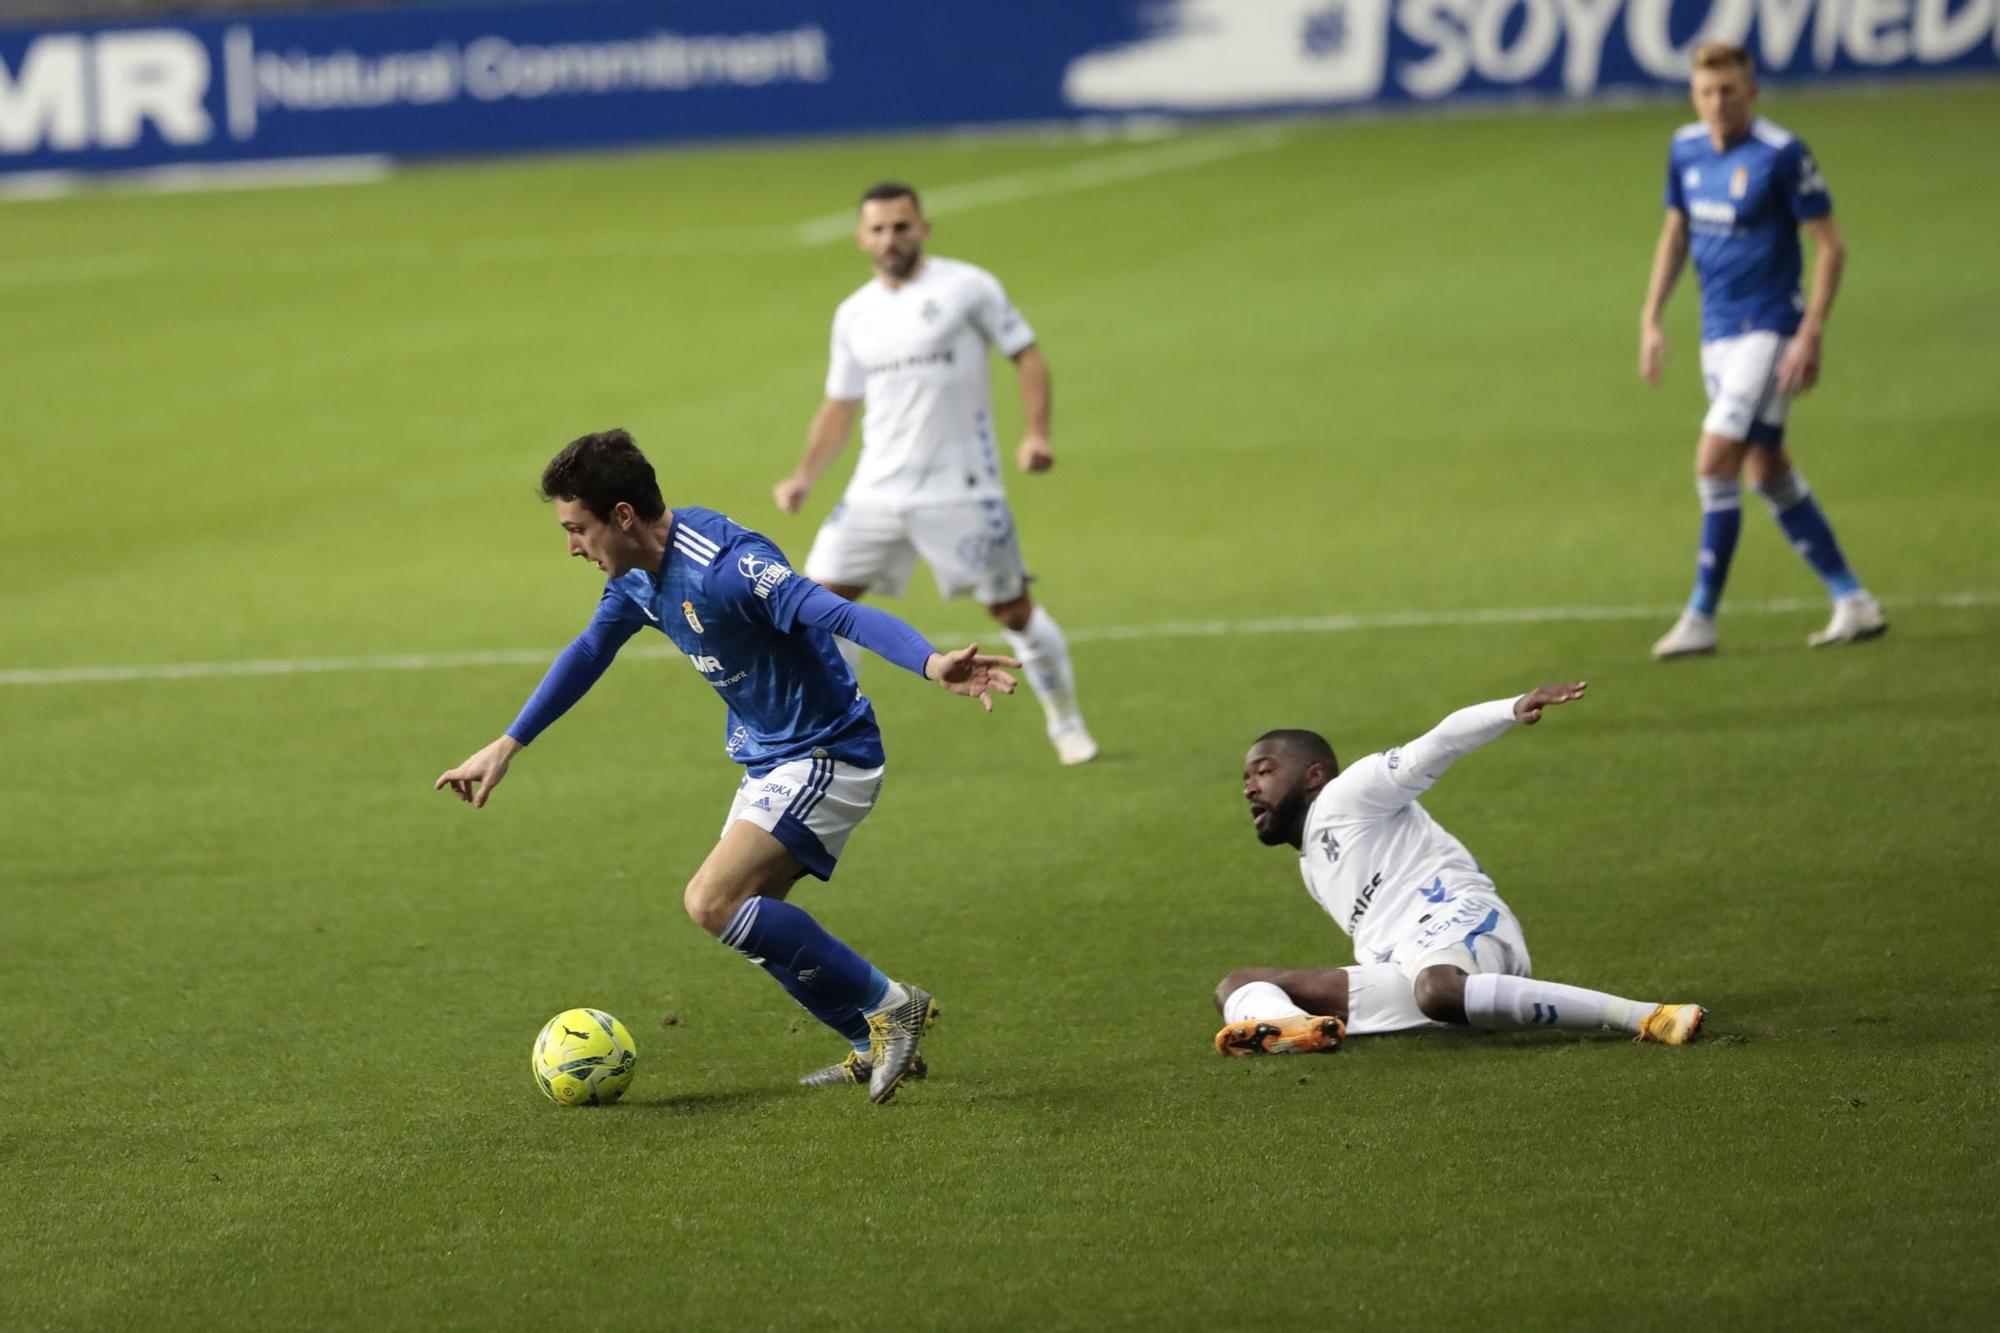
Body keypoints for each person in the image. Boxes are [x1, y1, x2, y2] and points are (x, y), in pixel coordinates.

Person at [437, 429, 1020, 1104]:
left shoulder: (726, 565)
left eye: (577, 528)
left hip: (828, 751)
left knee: (710, 900)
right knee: (748, 916)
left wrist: (929, 661)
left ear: (622, 516)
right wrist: (508, 742)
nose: (572, 546)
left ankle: (893, 1005)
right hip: (767, 758)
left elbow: (832, 609)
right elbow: (589, 651)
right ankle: (868, 1041)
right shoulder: (633, 579)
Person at [773, 181, 1097, 765]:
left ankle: (1066, 722)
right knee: (816, 604)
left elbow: (1026, 354)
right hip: (876, 492)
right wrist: (803, 477)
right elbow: (840, 404)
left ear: (923, 227)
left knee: (1011, 612)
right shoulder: (854, 314)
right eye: (878, 229)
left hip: (962, 489)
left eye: (902, 226)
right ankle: (834, 737)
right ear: (860, 238)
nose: (890, 239)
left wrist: (1036, 433)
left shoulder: (967, 287)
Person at [1212, 682, 1706, 1056]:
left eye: (1264, 770)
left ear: (1314, 774)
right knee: (1237, 986)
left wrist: (1513, 707)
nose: (1249, 788)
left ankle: (1645, 1016)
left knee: (1438, 990)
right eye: (1246, 778)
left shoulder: (1351, 793)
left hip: (1465, 927)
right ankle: (1299, 1030)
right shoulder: (1312, 866)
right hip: (1402, 970)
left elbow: (1440, 741)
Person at [1639, 42, 1884, 659]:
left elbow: (1831, 246)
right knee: (1765, 470)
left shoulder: (1781, 154)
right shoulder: (1685, 149)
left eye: (1729, 90)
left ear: (1751, 91)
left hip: (1770, 330)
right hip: (1717, 334)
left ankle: (1700, 617)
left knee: (1714, 458)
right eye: (1706, 91)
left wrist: (1810, 331)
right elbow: (1677, 232)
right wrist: (1652, 319)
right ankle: (1852, 600)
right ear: (1694, 95)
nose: (1717, 102)